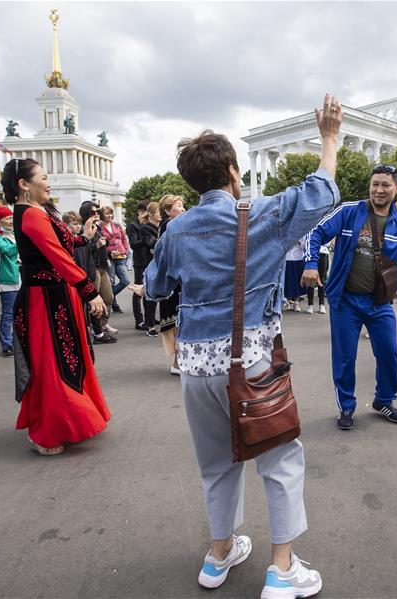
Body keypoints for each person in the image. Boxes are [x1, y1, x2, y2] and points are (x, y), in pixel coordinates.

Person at [143, 94, 342, 598]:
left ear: (191, 182)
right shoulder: (263, 215)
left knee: (215, 462)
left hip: (193, 365)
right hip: (249, 358)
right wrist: (329, 138)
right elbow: (321, 191)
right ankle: (282, 568)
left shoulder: (176, 228)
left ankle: (218, 553)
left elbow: (155, 287)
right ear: (234, 171)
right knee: (280, 458)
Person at [303, 164, 397, 431]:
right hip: (346, 301)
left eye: (385, 185)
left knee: (388, 354)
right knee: (345, 357)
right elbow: (317, 233)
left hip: (379, 302)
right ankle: (346, 407)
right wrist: (311, 264)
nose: (379, 190)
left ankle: (383, 400)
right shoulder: (350, 212)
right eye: (375, 184)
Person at [3, 158, 110, 456]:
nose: (49, 182)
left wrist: (83, 238)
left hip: (57, 296)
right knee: (52, 363)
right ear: (24, 184)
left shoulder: (38, 212)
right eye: (43, 177)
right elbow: (57, 257)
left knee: (66, 358)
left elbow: (61, 244)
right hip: (45, 299)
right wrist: (90, 292)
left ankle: (69, 419)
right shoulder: (31, 215)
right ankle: (48, 430)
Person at [63, 211, 115, 344]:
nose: (78, 227)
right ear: (65, 225)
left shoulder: (82, 239)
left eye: (79, 224)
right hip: (75, 281)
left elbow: (88, 256)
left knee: (94, 305)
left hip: (88, 276)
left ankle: (98, 332)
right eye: (74, 224)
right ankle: (84, 333)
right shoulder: (66, 243)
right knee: (81, 308)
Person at [0, 205, 21, 357]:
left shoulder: (14, 234)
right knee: (8, 314)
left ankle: (19, 342)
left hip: (22, 277)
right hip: (7, 279)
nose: (11, 220)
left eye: (11, 217)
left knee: (21, 313)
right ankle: (7, 345)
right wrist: (22, 240)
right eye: (7, 218)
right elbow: (8, 251)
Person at [157, 194, 185, 374]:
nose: (183, 209)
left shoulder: (167, 226)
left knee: (180, 322)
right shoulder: (170, 225)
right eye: (179, 206)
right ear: (168, 211)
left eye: (183, 206)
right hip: (174, 282)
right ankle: (177, 363)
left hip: (172, 280)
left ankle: (179, 362)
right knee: (180, 321)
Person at [80, 202, 117, 337]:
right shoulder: (84, 229)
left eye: (97, 212)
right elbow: (81, 250)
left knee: (108, 298)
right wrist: (97, 245)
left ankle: (102, 324)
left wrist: (109, 253)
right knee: (93, 301)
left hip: (102, 266)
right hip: (92, 268)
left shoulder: (97, 227)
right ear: (85, 214)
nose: (96, 214)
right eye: (92, 212)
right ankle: (94, 329)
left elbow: (101, 247)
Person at [98, 206, 130, 313]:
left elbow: (124, 239)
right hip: (108, 257)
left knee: (125, 280)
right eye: (107, 213)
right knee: (111, 282)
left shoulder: (116, 225)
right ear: (102, 215)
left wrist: (125, 251)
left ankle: (107, 298)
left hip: (120, 256)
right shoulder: (99, 227)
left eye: (111, 213)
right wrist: (109, 252)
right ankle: (114, 305)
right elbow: (100, 243)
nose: (110, 215)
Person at [138, 202, 160, 337]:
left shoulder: (163, 226)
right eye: (158, 212)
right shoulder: (145, 228)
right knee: (150, 294)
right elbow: (151, 243)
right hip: (148, 264)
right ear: (151, 213)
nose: (161, 214)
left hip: (159, 262)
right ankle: (150, 325)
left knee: (161, 293)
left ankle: (154, 321)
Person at [127, 200, 150, 329]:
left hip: (149, 260)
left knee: (148, 290)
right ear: (140, 212)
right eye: (148, 212)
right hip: (140, 262)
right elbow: (133, 244)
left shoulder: (148, 224)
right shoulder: (133, 225)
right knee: (137, 291)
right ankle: (139, 320)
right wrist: (146, 239)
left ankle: (149, 318)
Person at [305, 238, 330, 315]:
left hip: (323, 253)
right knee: (311, 279)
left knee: (321, 280)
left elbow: (327, 242)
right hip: (312, 254)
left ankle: (321, 305)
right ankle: (310, 305)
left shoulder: (325, 227)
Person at [283, 239, 306, 311]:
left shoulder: (303, 233)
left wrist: (299, 242)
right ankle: (287, 302)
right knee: (287, 280)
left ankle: (296, 302)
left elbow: (305, 247)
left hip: (298, 259)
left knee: (297, 281)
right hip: (287, 258)